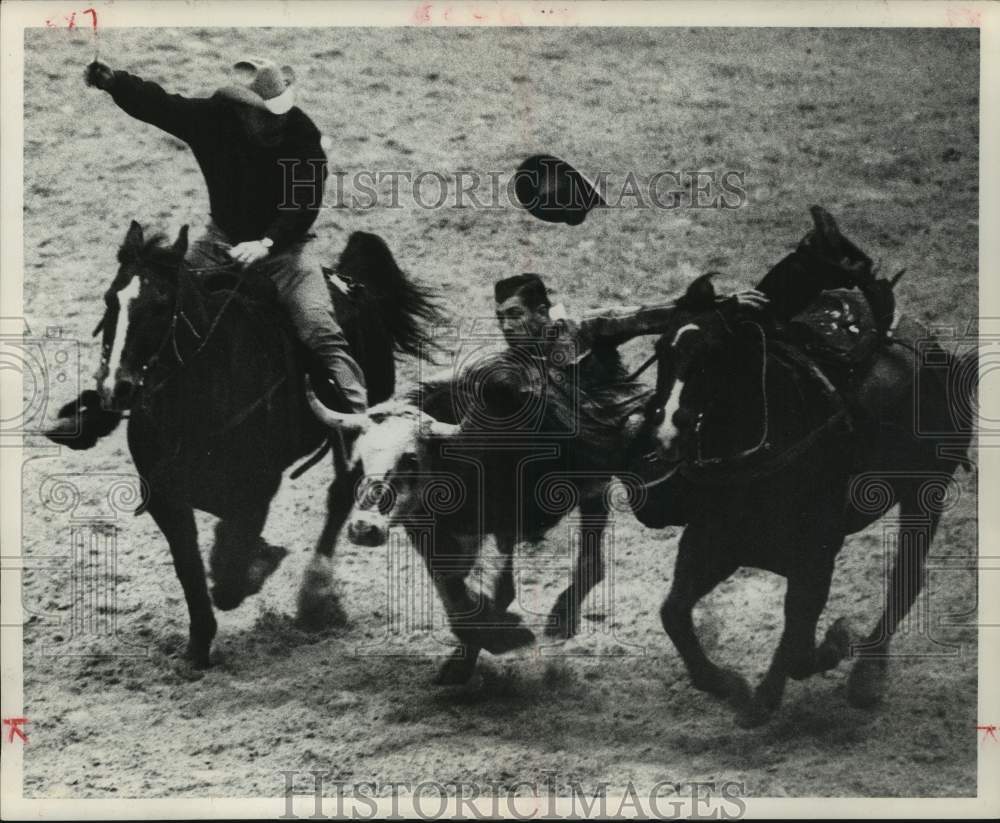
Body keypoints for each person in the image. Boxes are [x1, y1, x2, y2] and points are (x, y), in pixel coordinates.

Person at [81, 57, 368, 415]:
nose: (276, 122)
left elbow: (304, 203)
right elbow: (161, 105)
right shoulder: (211, 121)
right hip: (219, 241)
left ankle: (358, 416)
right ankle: (104, 402)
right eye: (266, 114)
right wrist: (115, 83)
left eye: (280, 112)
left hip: (287, 253)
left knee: (318, 327)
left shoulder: (301, 135)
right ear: (239, 109)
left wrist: (266, 243)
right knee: (153, 303)